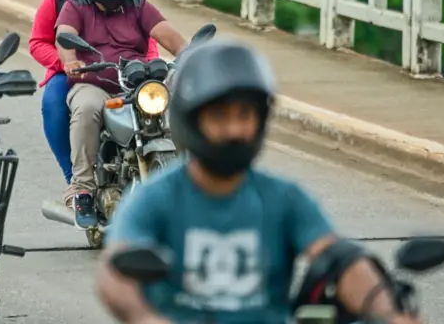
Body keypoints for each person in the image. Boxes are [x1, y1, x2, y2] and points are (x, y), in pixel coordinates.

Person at [95, 39, 421, 324]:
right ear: (191, 120)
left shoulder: (284, 197)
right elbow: (115, 272)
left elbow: (339, 259)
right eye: (220, 117)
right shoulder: (154, 198)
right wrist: (145, 317)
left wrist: (386, 310)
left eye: (244, 116)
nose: (235, 129)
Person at [54, 0, 187, 229]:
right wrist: (71, 60)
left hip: (137, 84)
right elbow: (64, 35)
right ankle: (83, 189)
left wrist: (192, 55)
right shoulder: (76, 6)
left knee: (178, 107)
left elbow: (172, 38)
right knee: (86, 109)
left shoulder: (140, 6)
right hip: (94, 83)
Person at [29, 0, 159, 183]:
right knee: (53, 102)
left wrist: (151, 64)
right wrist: (67, 63)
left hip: (122, 68)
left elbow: (150, 35)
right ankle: (75, 179)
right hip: (74, 72)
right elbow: (37, 42)